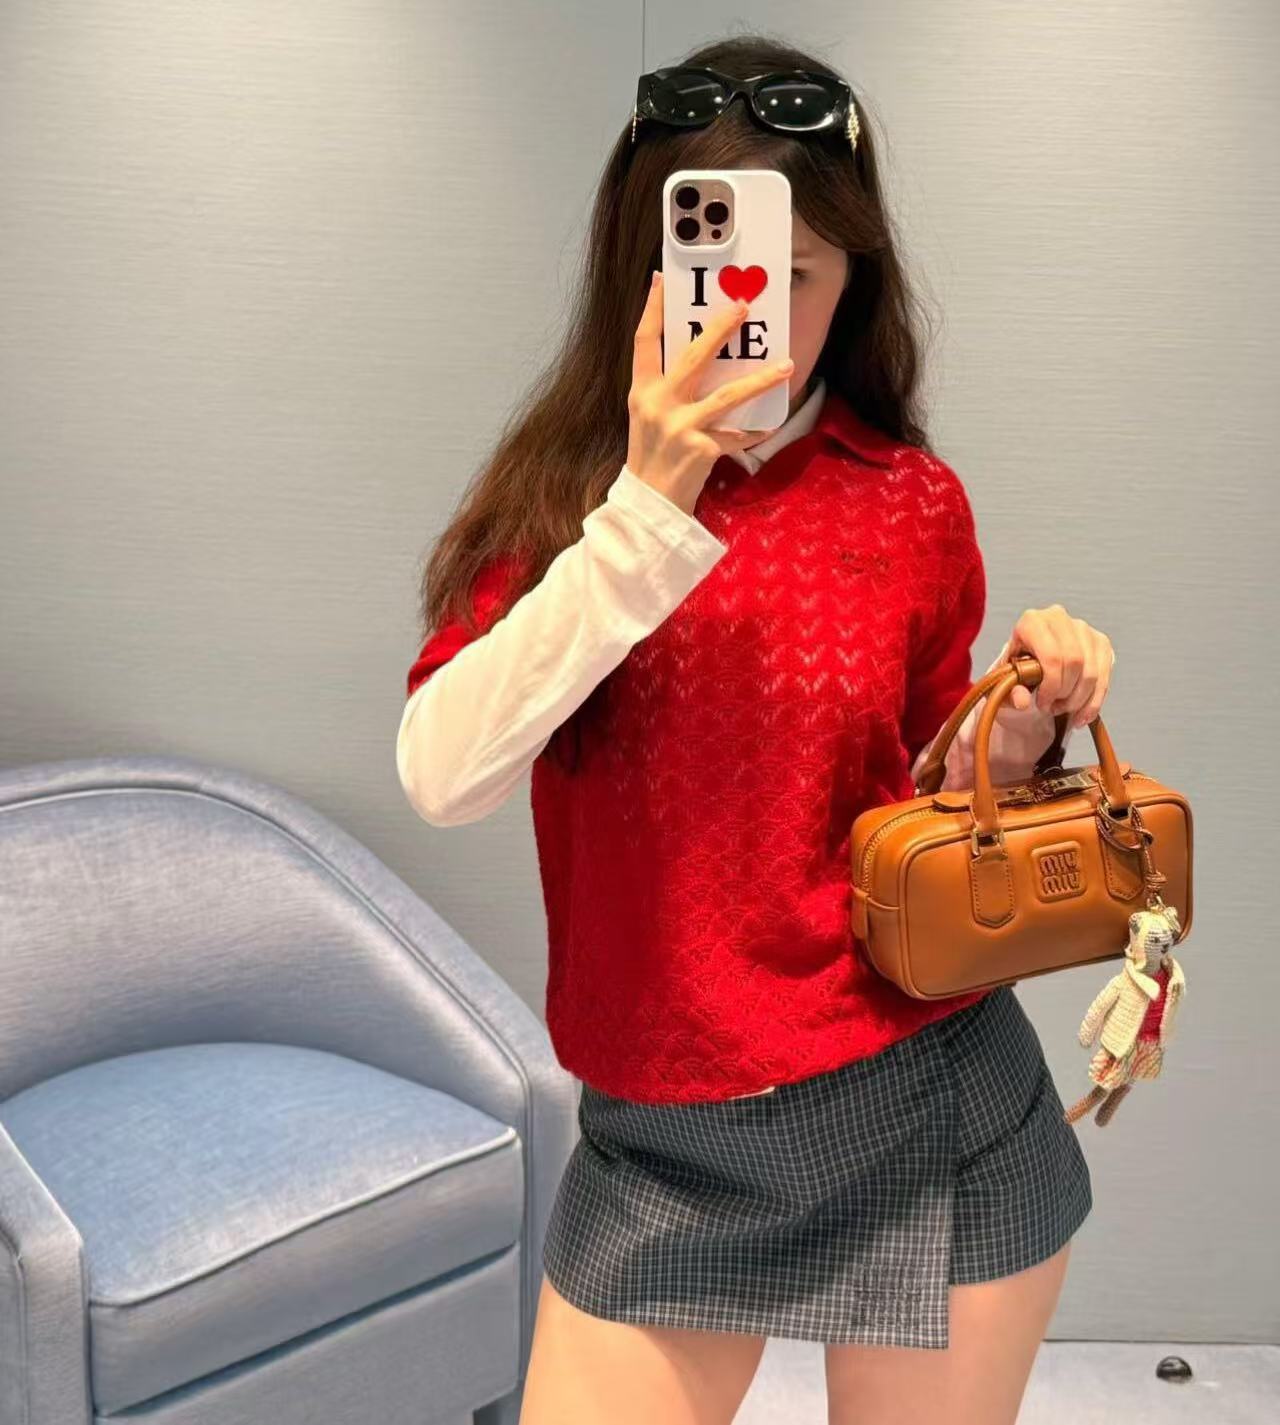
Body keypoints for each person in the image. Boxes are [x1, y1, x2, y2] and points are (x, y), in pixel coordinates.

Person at [398, 33, 1114, 1425]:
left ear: (853, 280)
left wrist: (1023, 721)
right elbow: (443, 772)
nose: (753, 314)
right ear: (644, 268)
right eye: (716, 269)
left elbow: (924, 799)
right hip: (666, 1137)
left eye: (796, 274)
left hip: (927, 1096)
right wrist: (643, 516)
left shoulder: (906, 501)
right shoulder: (564, 505)